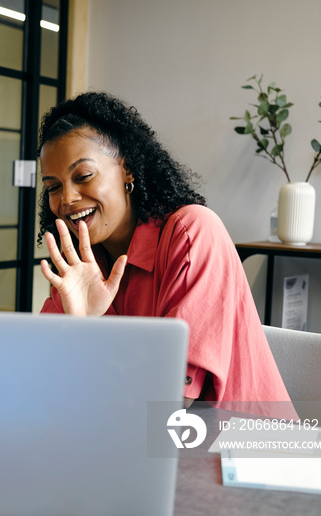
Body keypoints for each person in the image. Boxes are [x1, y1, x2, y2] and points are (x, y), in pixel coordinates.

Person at [37, 91, 294, 418]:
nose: (67, 198)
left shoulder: (192, 232)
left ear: (127, 169)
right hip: (139, 443)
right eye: (53, 187)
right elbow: (47, 382)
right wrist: (82, 328)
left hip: (243, 451)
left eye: (83, 176)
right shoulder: (76, 268)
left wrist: (89, 343)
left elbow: (170, 401)